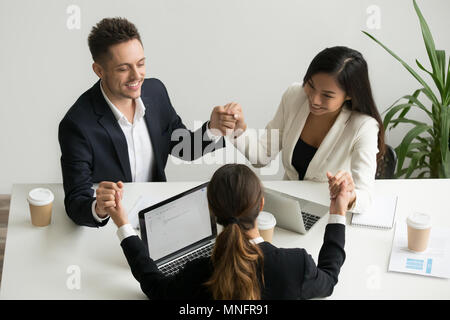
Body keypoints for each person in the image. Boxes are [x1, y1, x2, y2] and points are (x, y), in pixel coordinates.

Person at [58, 18, 236, 227]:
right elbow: (75, 201)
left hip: (157, 218)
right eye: (123, 68)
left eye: (141, 64)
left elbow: (182, 148)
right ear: (99, 70)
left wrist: (213, 130)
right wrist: (98, 207)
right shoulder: (77, 125)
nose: (137, 76)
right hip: (111, 225)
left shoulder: (156, 92)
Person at [107, 163, 350, 299]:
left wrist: (123, 225)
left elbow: (155, 288)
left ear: (212, 211)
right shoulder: (295, 266)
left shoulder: (198, 273)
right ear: (261, 204)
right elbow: (329, 280)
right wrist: (337, 211)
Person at [223, 46, 386, 214]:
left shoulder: (363, 126)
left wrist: (349, 196)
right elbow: (262, 156)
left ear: (349, 95)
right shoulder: (294, 96)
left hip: (328, 212)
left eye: (327, 95)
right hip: (287, 208)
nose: (314, 100)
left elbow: (365, 197)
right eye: (311, 85)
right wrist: (238, 130)